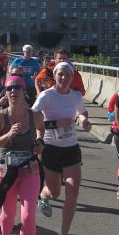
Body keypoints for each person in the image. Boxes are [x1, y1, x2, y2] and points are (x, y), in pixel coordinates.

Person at [32, 62, 91, 235]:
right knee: (55, 192)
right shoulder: (46, 96)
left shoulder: (75, 96)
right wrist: (53, 124)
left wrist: (84, 120)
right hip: (51, 149)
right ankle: (43, 196)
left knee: (73, 191)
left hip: (71, 148)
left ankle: (64, 232)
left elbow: (82, 112)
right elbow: (34, 115)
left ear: (72, 78)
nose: (64, 78)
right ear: (55, 75)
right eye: (60, 74)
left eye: (68, 75)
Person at [0, 76, 45, 235]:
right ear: (5, 93)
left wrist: (40, 141)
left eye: (17, 87)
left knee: (28, 217)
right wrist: (8, 135)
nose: (13, 90)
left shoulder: (35, 115)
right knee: (8, 215)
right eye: (9, 88)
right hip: (6, 172)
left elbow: (41, 128)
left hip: (30, 171)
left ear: (24, 91)